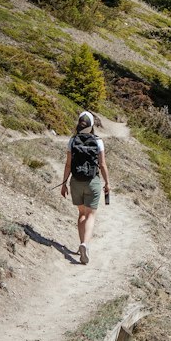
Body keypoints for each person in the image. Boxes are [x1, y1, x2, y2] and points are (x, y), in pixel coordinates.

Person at [60, 111, 111, 264]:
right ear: (91, 125)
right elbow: (102, 165)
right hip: (92, 182)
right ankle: (85, 244)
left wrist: (63, 183)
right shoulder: (98, 141)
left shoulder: (72, 140)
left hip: (76, 181)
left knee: (81, 214)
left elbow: (68, 164)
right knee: (90, 215)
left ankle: (82, 244)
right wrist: (107, 183)